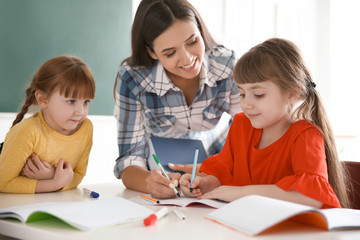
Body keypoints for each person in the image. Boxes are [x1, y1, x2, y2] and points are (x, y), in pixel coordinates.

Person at [180, 38, 349, 208]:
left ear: (292, 93)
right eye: (242, 93)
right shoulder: (241, 125)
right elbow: (224, 171)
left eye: (259, 94)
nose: (246, 104)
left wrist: (242, 193)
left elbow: (311, 197)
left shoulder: (305, 136)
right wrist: (205, 183)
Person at [113, 0, 241, 198]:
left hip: (218, 156)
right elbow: (129, 160)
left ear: (200, 30)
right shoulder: (133, 78)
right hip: (160, 165)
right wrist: (149, 182)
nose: (188, 59)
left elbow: (250, 133)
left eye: (192, 42)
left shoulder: (226, 65)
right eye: (170, 53)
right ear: (151, 52)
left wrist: (217, 168)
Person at [0, 55, 96, 193]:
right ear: (43, 99)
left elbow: (78, 175)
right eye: (71, 101)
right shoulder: (27, 132)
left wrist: (53, 176)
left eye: (86, 102)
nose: (80, 112)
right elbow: (2, 183)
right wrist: (54, 183)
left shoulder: (86, 128)